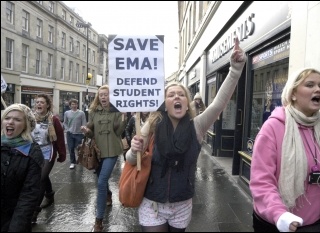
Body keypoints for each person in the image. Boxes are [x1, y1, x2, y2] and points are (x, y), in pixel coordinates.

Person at [126, 38, 246, 232]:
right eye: (171, 94)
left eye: (181, 94)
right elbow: (131, 159)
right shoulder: (151, 124)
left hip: (182, 203)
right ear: (164, 103)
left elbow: (218, 104)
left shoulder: (196, 126)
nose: (176, 97)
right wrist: (133, 150)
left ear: (187, 101)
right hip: (152, 203)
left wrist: (235, 69)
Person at [249, 68, 320, 232]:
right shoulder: (273, 127)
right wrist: (279, 214)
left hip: (316, 224)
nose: (318, 89)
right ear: (293, 94)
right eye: (310, 85)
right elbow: (261, 181)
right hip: (277, 223)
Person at [80, 85, 127, 232]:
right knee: (100, 178)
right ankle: (108, 194)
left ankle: (98, 220)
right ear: (98, 97)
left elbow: (118, 132)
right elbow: (90, 131)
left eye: (106, 94)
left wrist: (124, 118)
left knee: (100, 182)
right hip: (97, 151)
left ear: (111, 96)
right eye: (101, 95)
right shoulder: (94, 112)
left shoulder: (117, 111)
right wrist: (86, 130)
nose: (103, 97)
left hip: (112, 151)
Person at [1, 104, 44, 232]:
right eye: (7, 118)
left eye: (17, 119)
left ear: (26, 125)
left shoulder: (32, 152)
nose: (10, 122)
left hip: (14, 219)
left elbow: (29, 195)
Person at [31, 94, 66, 223]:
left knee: (40, 179)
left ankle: (34, 211)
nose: (39, 104)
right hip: (34, 151)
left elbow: (60, 138)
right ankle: (50, 194)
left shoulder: (54, 119)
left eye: (41, 102)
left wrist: (62, 154)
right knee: (43, 176)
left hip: (48, 151)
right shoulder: (30, 118)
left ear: (47, 105)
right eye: (37, 102)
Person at [63, 98, 87, 169]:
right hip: (70, 134)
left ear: (77, 105)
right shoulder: (67, 113)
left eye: (75, 104)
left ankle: (80, 160)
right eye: (72, 104)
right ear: (70, 105)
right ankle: (72, 162)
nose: (74, 105)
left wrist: (83, 130)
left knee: (79, 148)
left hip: (79, 133)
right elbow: (65, 122)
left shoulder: (81, 113)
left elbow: (84, 122)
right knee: (71, 148)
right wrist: (67, 129)